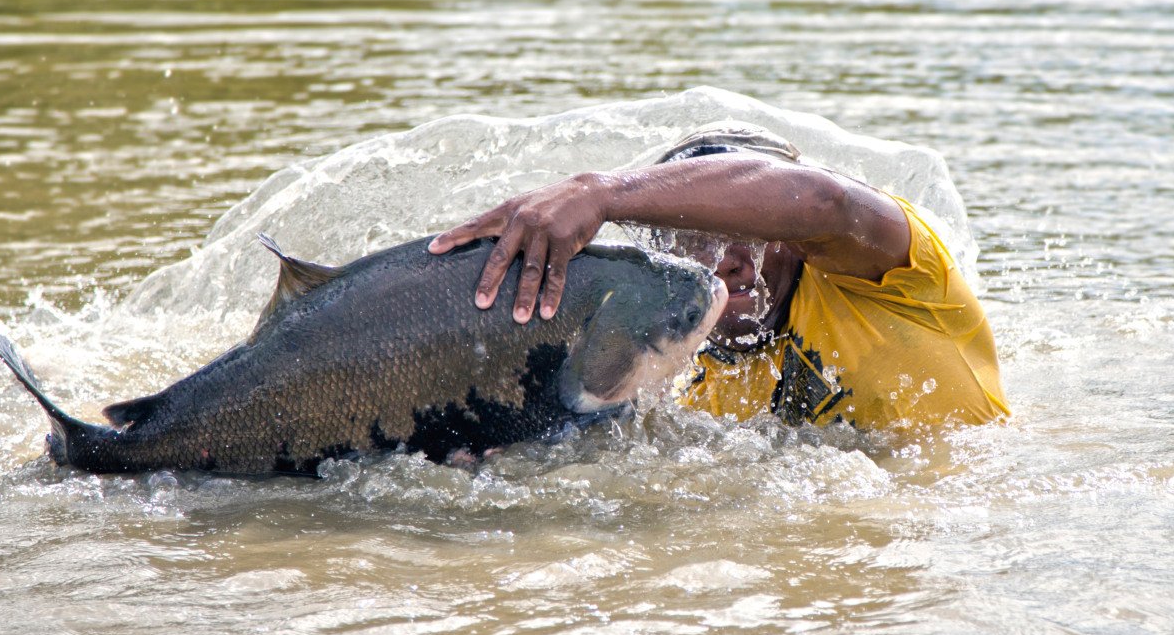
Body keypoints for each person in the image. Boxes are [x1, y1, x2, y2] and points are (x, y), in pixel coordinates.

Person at [428, 123, 1009, 432]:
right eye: (691, 237)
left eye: (749, 230)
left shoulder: (898, 277)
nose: (728, 258)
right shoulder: (672, 371)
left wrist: (598, 194)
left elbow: (822, 201)